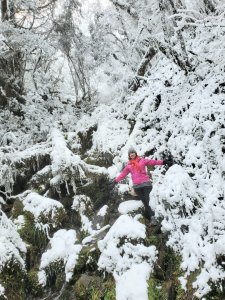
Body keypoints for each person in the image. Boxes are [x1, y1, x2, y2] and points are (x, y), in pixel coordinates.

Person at [114, 147, 167, 224]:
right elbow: (123, 174)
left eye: (133, 152)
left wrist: (163, 162)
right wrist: (115, 181)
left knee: (149, 201)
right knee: (145, 203)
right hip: (137, 187)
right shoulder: (129, 165)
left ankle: (154, 218)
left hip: (146, 185)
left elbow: (153, 162)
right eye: (130, 153)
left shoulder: (142, 160)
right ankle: (151, 218)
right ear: (129, 155)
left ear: (135, 153)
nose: (132, 154)